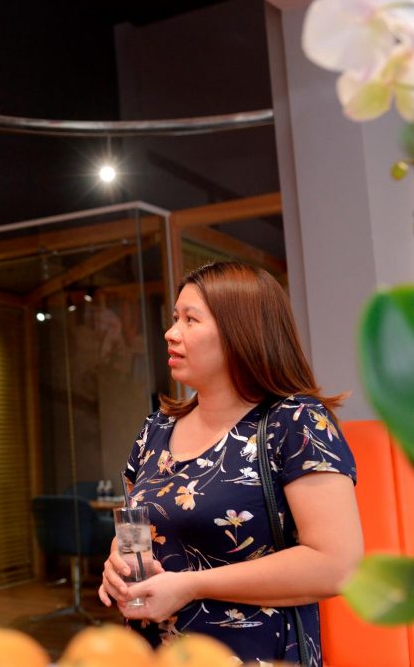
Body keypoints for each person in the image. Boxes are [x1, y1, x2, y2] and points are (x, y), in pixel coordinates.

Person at [98, 261, 362, 665]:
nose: (171, 332)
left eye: (190, 320)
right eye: (175, 318)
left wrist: (191, 585)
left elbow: (337, 565)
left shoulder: (296, 422)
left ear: (241, 332)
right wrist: (117, 562)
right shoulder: (156, 429)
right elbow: (135, 531)